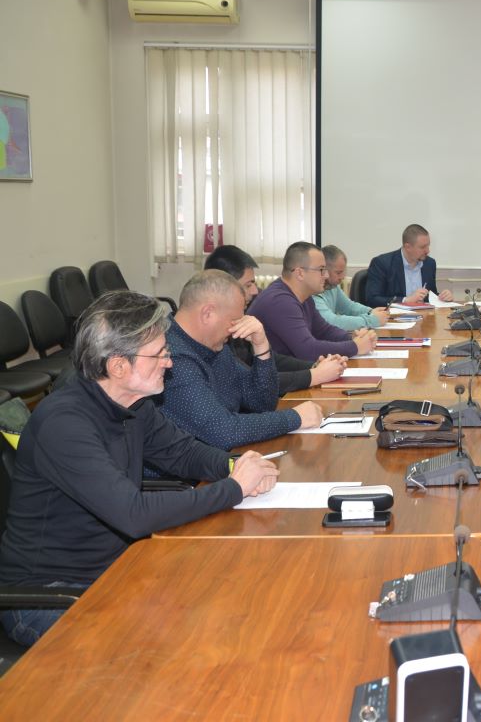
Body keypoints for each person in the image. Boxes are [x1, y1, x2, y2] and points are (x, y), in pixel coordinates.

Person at [0, 291, 279, 646]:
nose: (169, 362)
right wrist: (234, 488)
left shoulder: (133, 404)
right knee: (167, 649)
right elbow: (133, 514)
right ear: (118, 366)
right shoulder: (64, 424)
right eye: (159, 354)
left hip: (114, 571)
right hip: (51, 596)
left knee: (227, 600)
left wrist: (235, 465)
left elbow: (182, 453)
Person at [160, 270, 324, 450]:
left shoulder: (215, 347)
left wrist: (261, 348)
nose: (236, 329)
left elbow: (262, 403)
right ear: (208, 313)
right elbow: (223, 431)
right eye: (234, 320)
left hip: (228, 458)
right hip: (198, 467)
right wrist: (295, 417)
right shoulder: (171, 357)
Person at [205, 245, 346, 394]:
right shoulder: (209, 337)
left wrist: (314, 366)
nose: (255, 291)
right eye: (248, 285)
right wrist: (313, 375)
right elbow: (249, 383)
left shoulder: (237, 319)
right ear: (221, 287)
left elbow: (268, 361)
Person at [249, 241, 377, 361]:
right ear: (300, 273)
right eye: (321, 270)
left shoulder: (304, 296)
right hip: (277, 374)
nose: (326, 275)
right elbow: (307, 350)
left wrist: (353, 337)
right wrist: (355, 347)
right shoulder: (280, 301)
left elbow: (324, 331)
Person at [364, 224, 454, 307]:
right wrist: (406, 300)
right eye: (423, 247)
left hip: (424, 316)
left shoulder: (429, 264)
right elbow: (372, 299)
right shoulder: (382, 263)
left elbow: (430, 296)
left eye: (428, 245)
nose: (427, 251)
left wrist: (442, 297)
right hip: (393, 317)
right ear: (408, 247)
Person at [315, 245, 389, 332]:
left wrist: (370, 312)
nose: (342, 277)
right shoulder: (313, 293)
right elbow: (333, 322)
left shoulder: (333, 286)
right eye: (338, 273)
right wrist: (372, 320)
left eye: (343, 271)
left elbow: (348, 307)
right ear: (324, 270)